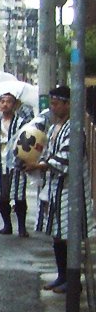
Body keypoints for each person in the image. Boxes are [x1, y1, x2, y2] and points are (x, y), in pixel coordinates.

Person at [28, 86, 91, 293]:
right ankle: (62, 275)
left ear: (67, 104)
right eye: (52, 104)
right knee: (57, 234)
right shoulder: (55, 127)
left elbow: (66, 157)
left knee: (68, 235)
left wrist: (40, 165)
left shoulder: (74, 128)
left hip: (69, 190)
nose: (53, 108)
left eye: (56, 104)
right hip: (55, 188)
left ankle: (73, 280)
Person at [0, 92, 30, 235]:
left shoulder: (21, 122)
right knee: (2, 196)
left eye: (8, 102)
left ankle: (22, 227)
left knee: (19, 195)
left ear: (14, 105)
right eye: (2, 101)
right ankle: (7, 225)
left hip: (16, 163)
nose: (5, 104)